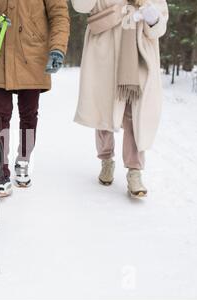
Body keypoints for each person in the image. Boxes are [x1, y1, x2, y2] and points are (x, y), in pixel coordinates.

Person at [0, 0, 70, 197]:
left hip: (33, 56)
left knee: (29, 115)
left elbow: (59, 15)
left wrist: (57, 48)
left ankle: (24, 159)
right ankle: (0, 169)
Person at [72, 0, 168, 198]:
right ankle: (106, 160)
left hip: (138, 56)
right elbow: (81, 6)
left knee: (135, 115)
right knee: (105, 112)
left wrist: (148, 12)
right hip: (105, 54)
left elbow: (160, 25)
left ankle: (135, 172)